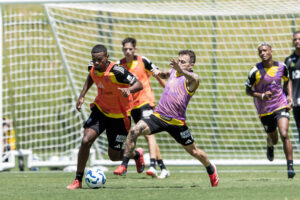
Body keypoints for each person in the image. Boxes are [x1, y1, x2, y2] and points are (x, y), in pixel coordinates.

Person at [114, 50, 219, 187]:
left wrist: (178, 68)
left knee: (194, 152)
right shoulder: (174, 72)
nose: (179, 64)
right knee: (135, 131)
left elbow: (193, 78)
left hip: (176, 122)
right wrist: (159, 73)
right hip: (158, 116)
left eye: (183, 62)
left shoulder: (193, 79)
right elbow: (165, 74)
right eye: (179, 61)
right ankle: (124, 165)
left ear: (191, 64)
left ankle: (210, 168)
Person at [67, 44, 145, 190]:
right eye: (94, 60)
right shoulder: (93, 66)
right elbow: (91, 75)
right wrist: (82, 95)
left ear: (106, 58)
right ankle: (78, 180)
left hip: (120, 117)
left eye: (99, 60)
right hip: (101, 111)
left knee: (114, 156)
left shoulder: (118, 71)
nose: (96, 63)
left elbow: (139, 84)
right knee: (86, 140)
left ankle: (136, 155)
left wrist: (128, 90)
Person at [118, 37, 170, 179]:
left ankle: (152, 166)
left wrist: (168, 90)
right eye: (125, 49)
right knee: (145, 133)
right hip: (132, 105)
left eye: (130, 49)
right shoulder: (120, 65)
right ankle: (163, 168)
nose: (127, 51)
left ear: (134, 49)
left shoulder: (143, 61)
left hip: (146, 101)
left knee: (148, 133)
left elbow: (158, 75)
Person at [245, 42, 295, 179]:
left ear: (271, 51)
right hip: (264, 109)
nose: (263, 53)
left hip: (280, 104)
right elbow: (248, 90)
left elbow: (287, 80)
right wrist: (261, 96)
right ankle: (269, 143)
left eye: (265, 50)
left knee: (284, 134)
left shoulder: (281, 67)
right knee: (275, 139)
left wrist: (290, 96)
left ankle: (290, 167)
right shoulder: (254, 71)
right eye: (260, 51)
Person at [284, 31, 300, 142]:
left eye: (299, 39)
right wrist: (289, 96)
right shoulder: (289, 60)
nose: (297, 41)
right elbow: (287, 80)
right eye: (295, 39)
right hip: (297, 100)